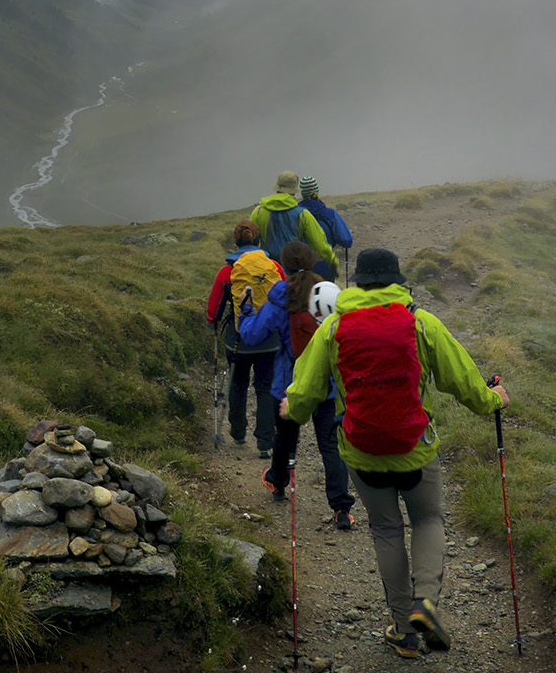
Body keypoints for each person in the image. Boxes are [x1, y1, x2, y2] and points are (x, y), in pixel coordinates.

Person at [283, 248, 510, 659]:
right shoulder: (421, 322)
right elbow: (464, 384)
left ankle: (404, 631)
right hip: (415, 451)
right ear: (397, 281)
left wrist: (290, 408)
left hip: (360, 452)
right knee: (427, 517)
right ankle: (426, 602)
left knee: (386, 529)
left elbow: (305, 393)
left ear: (358, 286)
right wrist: (493, 398)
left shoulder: (333, 328)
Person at [237, 241, 356, 530]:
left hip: (289, 385)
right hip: (327, 385)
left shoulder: (281, 297)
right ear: (313, 262)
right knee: (330, 444)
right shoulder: (329, 294)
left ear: (284, 266)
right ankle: (342, 508)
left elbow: (251, 336)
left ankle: (278, 482)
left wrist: (246, 310)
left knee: (286, 438)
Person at [205, 220, 285, 457]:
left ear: (236, 242)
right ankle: (264, 442)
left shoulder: (227, 271)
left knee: (238, 383)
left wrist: (214, 322)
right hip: (270, 338)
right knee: (265, 386)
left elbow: (213, 310)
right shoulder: (274, 267)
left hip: (238, 339)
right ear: (259, 241)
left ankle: (238, 433)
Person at [250, 171, 337, 278]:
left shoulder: (258, 212)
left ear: (277, 188)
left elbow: (250, 241)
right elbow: (320, 245)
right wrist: (332, 261)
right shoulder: (303, 214)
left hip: (267, 272)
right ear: (294, 191)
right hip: (293, 274)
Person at [297, 175, 353, 279]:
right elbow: (346, 240)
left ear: (302, 193)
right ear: (316, 192)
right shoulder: (329, 214)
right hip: (324, 268)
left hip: (300, 270)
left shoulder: (295, 214)